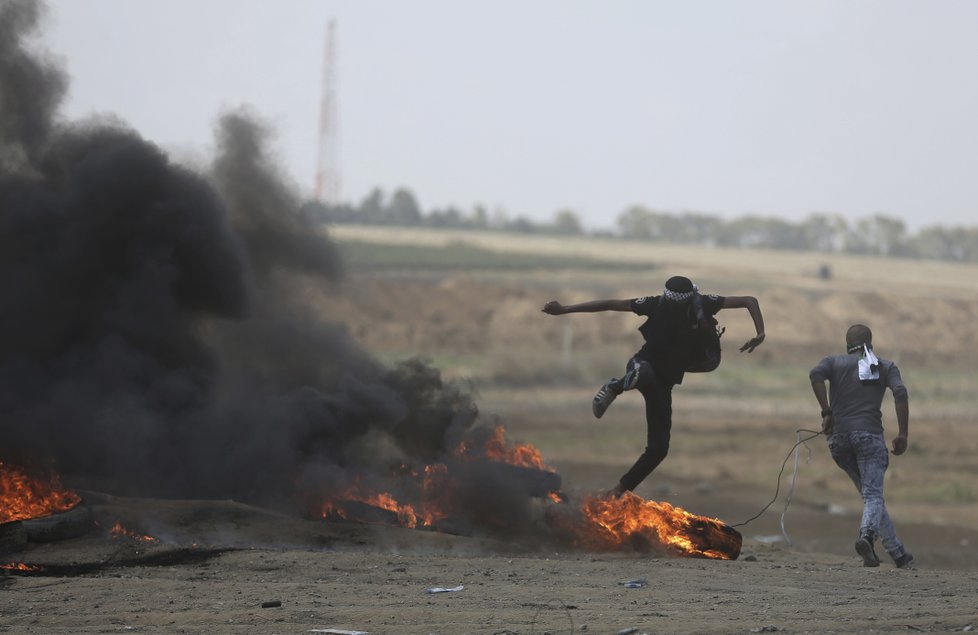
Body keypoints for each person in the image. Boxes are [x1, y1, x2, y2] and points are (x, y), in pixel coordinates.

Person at [542, 275, 765, 497]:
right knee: (645, 374)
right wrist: (760, 332)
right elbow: (749, 300)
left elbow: (610, 304)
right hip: (649, 368)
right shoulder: (695, 303)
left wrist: (565, 310)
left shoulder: (663, 303)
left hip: (660, 379)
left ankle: (616, 492)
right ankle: (618, 386)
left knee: (659, 449)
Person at [810, 324, 914, 569]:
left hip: (838, 440)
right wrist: (903, 433)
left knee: (870, 497)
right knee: (873, 495)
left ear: (847, 344)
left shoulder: (833, 362)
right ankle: (866, 537)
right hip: (869, 439)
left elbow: (815, 375)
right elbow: (900, 392)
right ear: (871, 343)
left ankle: (898, 553)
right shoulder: (885, 366)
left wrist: (826, 411)